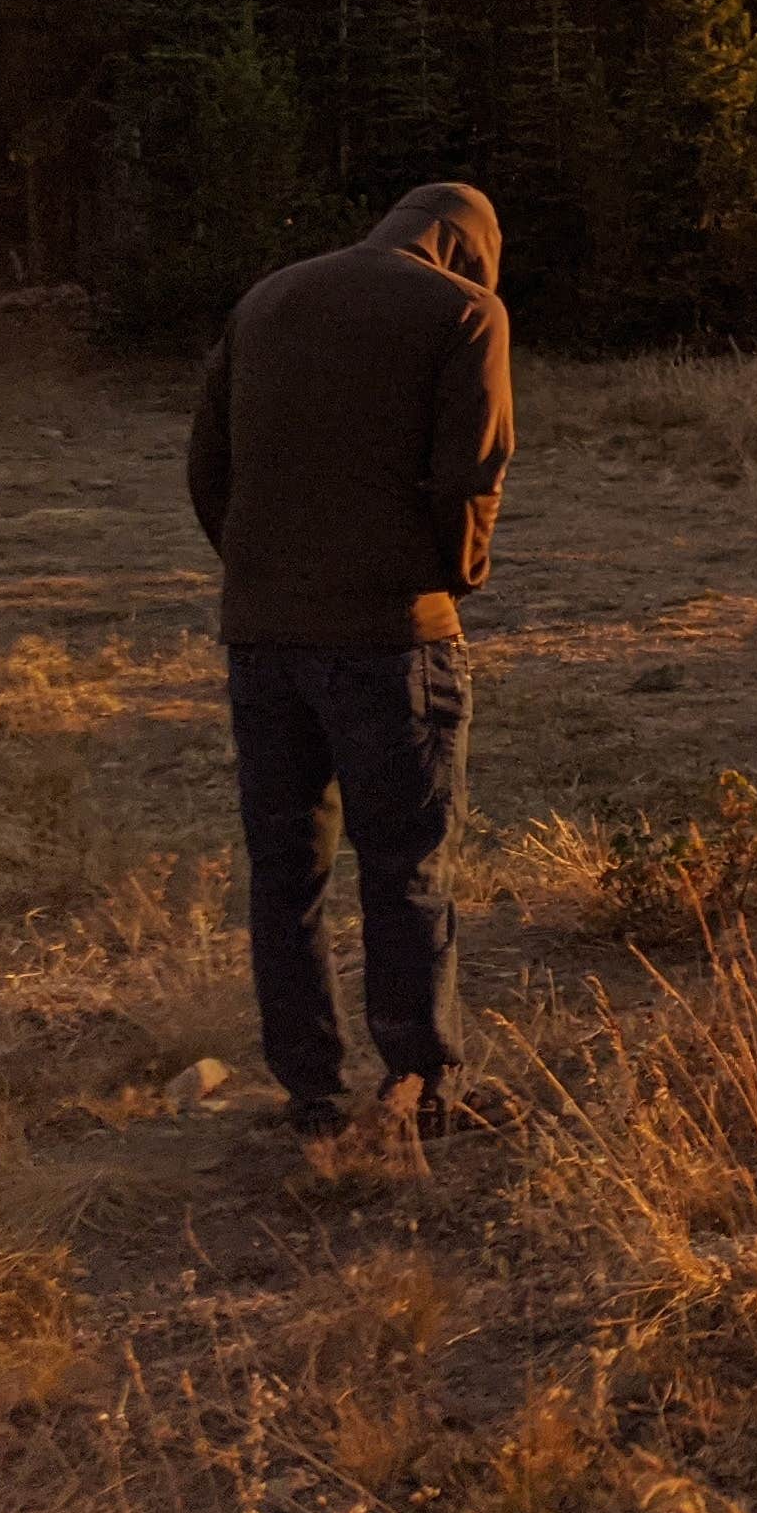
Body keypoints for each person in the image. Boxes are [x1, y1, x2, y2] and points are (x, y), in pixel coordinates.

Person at [185, 183, 513, 1141]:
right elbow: (472, 470)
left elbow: (208, 468)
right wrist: (456, 576)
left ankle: (311, 1096)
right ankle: (419, 1089)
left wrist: (262, 573)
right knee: (406, 866)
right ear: (470, 247)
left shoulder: (269, 299)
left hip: (262, 642)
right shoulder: (463, 310)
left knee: (286, 874)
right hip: (389, 642)